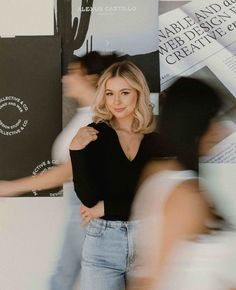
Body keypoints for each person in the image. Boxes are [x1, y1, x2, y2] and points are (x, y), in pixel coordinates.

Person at [0, 51, 120, 290]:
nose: (65, 79)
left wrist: (10, 187)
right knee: (63, 278)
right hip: (80, 209)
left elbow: (69, 171)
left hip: (90, 211)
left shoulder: (97, 120)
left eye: (73, 73)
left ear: (92, 78)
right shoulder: (86, 115)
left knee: (79, 280)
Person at [128, 77, 236, 290]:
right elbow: (151, 281)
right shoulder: (184, 194)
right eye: (211, 119)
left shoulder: (158, 173)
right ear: (194, 123)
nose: (219, 130)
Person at [69, 61, 169, 290]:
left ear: (138, 93)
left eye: (124, 93)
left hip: (149, 243)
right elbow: (89, 199)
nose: (116, 101)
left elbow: (158, 199)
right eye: (110, 93)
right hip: (102, 245)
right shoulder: (94, 135)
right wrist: (76, 150)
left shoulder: (158, 138)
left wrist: (107, 208)